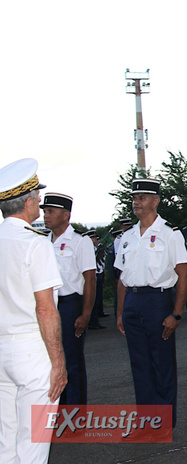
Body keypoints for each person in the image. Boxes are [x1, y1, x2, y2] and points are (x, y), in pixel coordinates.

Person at [0, 158, 66, 464]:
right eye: (37, 196)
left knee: (6, 443)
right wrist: (59, 363)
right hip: (31, 349)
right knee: (33, 446)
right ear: (28, 202)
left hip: (2, 347)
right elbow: (46, 309)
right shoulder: (35, 244)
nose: (40, 201)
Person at [115, 178, 187, 427]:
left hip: (157, 300)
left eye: (142, 198)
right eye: (134, 198)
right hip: (132, 301)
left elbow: (184, 274)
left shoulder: (169, 233)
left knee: (162, 363)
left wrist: (176, 313)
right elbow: (122, 278)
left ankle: (164, 422)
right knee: (140, 364)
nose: (136, 202)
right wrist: (120, 312)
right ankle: (146, 420)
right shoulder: (127, 236)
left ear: (155, 201)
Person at [42, 192, 97, 405]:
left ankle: (75, 414)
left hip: (69, 305)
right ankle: (58, 410)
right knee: (51, 361)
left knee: (71, 362)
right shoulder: (43, 242)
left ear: (66, 215)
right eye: (45, 211)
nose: (46, 216)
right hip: (48, 305)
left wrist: (86, 313)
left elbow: (90, 279)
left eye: (50, 211)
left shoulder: (80, 242)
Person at [83, 230, 107, 330]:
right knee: (94, 299)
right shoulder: (89, 250)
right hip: (94, 276)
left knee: (98, 298)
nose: (96, 241)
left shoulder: (97, 249)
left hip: (99, 274)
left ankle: (95, 319)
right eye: (94, 239)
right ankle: (93, 321)